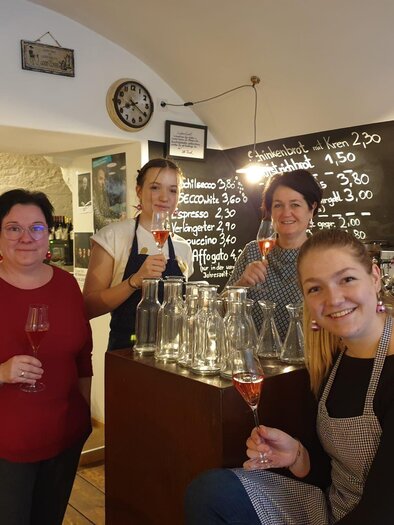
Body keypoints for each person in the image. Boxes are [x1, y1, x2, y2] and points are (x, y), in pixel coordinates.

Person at [185, 229, 394, 525]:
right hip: (335, 507)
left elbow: (384, 510)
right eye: (315, 288)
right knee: (211, 493)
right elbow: (332, 470)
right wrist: (297, 455)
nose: (333, 299)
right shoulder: (334, 357)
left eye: (347, 279)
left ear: (374, 277)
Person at [0, 189, 92, 525]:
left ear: (47, 234)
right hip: (6, 449)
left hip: (64, 440)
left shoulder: (67, 285)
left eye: (36, 228)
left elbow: (83, 356)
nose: (26, 238)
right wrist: (2, 372)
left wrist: (82, 414)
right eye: (13, 228)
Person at [83, 157, 194, 351]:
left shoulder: (182, 247)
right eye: (155, 187)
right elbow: (88, 307)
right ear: (139, 191)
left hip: (173, 353)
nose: (164, 197)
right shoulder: (112, 237)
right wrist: (135, 281)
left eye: (173, 190)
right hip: (127, 351)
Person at [225, 169, 323, 341]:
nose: (286, 213)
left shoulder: (324, 257)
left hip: (308, 363)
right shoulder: (253, 252)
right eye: (278, 205)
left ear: (311, 208)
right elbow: (218, 311)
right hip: (254, 362)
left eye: (295, 204)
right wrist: (241, 285)